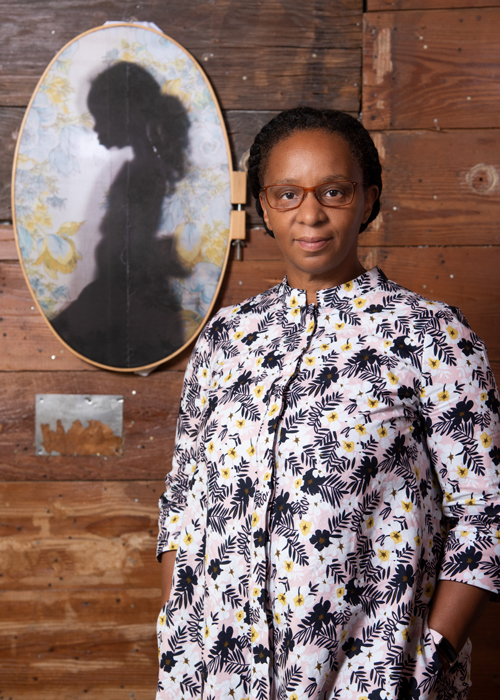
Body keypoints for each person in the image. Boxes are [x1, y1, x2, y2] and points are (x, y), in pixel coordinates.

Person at [156, 107, 500, 700]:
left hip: (372, 679)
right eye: (287, 194)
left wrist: (430, 657)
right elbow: (183, 505)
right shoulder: (226, 339)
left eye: (333, 192)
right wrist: (177, 628)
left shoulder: (432, 337)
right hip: (217, 679)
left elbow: (485, 515)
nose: (310, 214)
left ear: (368, 199)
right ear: (263, 207)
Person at [51, 62, 190, 368]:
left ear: (125, 115)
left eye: (100, 118)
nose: (96, 128)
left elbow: (133, 244)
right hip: (120, 294)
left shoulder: (143, 172)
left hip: (128, 300)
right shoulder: (143, 169)